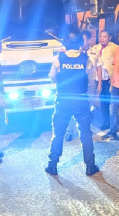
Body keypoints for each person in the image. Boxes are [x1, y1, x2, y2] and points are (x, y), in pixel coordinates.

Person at [46, 30, 99, 176]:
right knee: (86, 133)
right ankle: (90, 166)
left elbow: (52, 78)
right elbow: (91, 83)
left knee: (58, 134)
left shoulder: (58, 59)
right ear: (80, 43)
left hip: (63, 101)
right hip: (81, 101)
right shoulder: (87, 60)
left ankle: (52, 165)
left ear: (66, 43)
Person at [65, 30, 97, 142]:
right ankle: (69, 131)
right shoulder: (72, 53)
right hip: (76, 88)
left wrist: (92, 89)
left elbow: (94, 73)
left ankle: (85, 130)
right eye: (81, 40)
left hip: (88, 86)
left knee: (87, 110)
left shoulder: (94, 53)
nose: (82, 42)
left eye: (84, 40)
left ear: (89, 40)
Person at [95, 31, 118, 130]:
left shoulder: (115, 48)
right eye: (100, 36)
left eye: (104, 36)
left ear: (110, 37)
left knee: (111, 103)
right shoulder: (96, 48)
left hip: (110, 80)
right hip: (100, 79)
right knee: (103, 102)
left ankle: (113, 124)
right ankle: (105, 122)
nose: (102, 38)